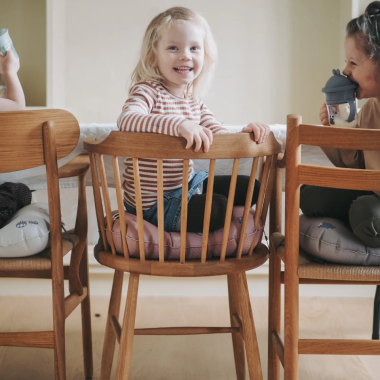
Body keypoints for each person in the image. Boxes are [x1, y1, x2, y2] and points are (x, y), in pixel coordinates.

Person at [117, 6, 270, 233]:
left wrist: (245, 133)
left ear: (204, 55)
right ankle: (189, 213)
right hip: (154, 205)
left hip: (188, 186)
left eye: (194, 48)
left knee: (250, 187)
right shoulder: (148, 90)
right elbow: (127, 119)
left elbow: (217, 134)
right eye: (173, 47)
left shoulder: (193, 100)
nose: (185, 55)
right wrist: (179, 125)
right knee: (217, 208)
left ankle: (198, 202)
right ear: (153, 56)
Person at [302, 1, 380, 248]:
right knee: (310, 194)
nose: (345, 71)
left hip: (373, 201)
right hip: (371, 192)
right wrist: (335, 130)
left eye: (353, 64)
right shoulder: (370, 109)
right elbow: (354, 166)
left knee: (368, 213)